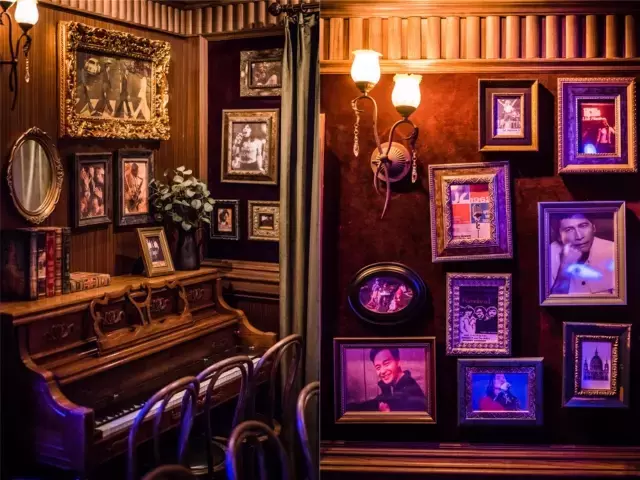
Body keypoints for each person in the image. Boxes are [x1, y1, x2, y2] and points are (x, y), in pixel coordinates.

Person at [549, 213, 615, 295]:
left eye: (583, 226)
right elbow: (554, 301)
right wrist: (565, 266)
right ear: (559, 237)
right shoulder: (549, 254)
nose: (579, 236)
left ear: (594, 228)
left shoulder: (613, 250)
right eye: (569, 230)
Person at [347, 348, 426, 412]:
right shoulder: (393, 385)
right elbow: (377, 403)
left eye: (386, 363)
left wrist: (387, 415)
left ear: (398, 362)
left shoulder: (409, 391)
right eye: (378, 367)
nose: (382, 371)